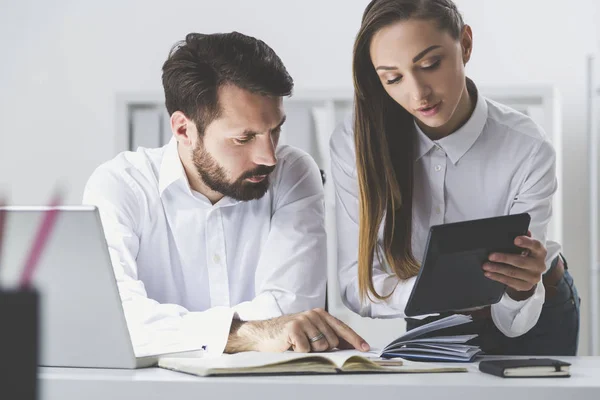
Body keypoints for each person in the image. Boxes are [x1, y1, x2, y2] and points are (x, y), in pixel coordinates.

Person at [83, 32, 369, 357]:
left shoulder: (293, 173)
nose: (269, 157)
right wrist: (251, 335)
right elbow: (114, 319)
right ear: (183, 129)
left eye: (274, 131)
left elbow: (292, 311)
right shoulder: (120, 185)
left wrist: (169, 332)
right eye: (244, 138)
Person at [331, 0, 579, 355]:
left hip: (536, 311)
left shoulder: (528, 147)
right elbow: (359, 285)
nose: (418, 94)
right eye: (393, 78)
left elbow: (515, 321)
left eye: (430, 64)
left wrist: (522, 287)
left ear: (465, 44)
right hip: (430, 316)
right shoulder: (356, 144)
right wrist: (434, 294)